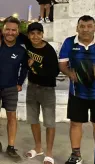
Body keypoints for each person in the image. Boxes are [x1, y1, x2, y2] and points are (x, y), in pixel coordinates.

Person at [59, 15, 95, 164]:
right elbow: (62, 64)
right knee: (76, 124)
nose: (85, 29)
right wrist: (70, 73)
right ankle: (76, 156)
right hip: (77, 92)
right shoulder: (69, 42)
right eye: (82, 26)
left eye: (89, 26)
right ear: (77, 28)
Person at [17, 22, 59, 164]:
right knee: (33, 120)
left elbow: (54, 72)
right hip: (32, 87)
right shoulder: (28, 43)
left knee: (49, 122)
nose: (35, 36)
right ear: (28, 35)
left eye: (38, 33)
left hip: (47, 89)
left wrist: (33, 65)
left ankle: (49, 153)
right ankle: (38, 147)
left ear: (42, 34)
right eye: (32, 33)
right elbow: (14, 32)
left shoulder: (49, 51)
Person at [0, 16, 28, 159]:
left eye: (13, 30)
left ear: (18, 32)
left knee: (12, 117)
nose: (10, 32)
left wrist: (20, 82)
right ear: (3, 30)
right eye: (7, 29)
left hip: (11, 87)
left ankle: (11, 147)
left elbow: (24, 68)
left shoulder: (21, 50)